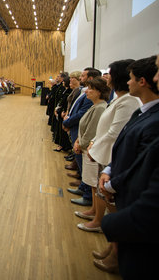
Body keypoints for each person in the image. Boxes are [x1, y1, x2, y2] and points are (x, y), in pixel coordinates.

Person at [97, 56, 159, 275]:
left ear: (142, 81)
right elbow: (123, 143)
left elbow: (140, 164)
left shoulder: (153, 118)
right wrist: (108, 170)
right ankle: (114, 253)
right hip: (118, 178)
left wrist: (113, 183)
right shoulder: (142, 111)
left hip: (131, 190)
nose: (128, 82)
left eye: (131, 78)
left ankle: (116, 255)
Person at [74, 60, 140, 232]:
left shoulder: (129, 101)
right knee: (97, 187)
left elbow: (114, 132)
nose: (107, 77)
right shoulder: (120, 99)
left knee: (103, 190)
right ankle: (95, 213)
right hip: (100, 150)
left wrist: (93, 146)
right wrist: (94, 144)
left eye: (109, 74)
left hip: (107, 153)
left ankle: (99, 221)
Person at [71, 77, 110, 232]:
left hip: (91, 150)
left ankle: (97, 215)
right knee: (92, 183)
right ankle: (93, 210)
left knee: (94, 183)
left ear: (99, 92)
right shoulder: (96, 106)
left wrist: (80, 142)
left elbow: (92, 130)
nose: (86, 91)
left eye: (90, 89)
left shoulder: (100, 108)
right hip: (86, 146)